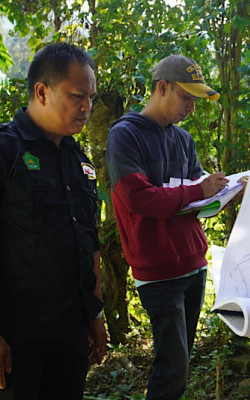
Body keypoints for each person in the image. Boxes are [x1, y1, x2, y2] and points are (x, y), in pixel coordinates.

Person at [106, 54, 246, 400]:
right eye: (187, 98)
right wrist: (198, 190)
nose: (191, 108)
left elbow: (196, 202)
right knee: (172, 366)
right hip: (157, 269)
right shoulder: (125, 136)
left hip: (192, 262)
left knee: (180, 364)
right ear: (162, 88)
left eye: (195, 101)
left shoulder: (183, 140)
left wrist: (226, 193)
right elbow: (138, 198)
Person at [0, 42, 107, 400]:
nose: (87, 107)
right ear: (41, 92)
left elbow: (89, 242)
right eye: (78, 96)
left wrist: (95, 314)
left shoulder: (79, 161)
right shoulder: (7, 151)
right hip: (17, 338)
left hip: (70, 334)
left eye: (91, 97)